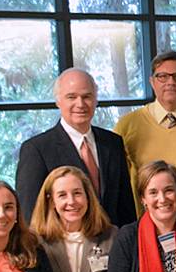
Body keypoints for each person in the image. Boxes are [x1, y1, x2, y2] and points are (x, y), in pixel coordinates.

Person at [16, 68, 136, 227]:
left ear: (96, 100)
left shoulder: (113, 143)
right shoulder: (37, 149)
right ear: (58, 101)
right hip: (60, 248)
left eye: (87, 96)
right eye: (71, 97)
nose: (80, 104)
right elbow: (30, 214)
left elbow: (125, 207)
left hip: (112, 245)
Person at [114, 51, 176, 208]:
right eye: (162, 76)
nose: (171, 82)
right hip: (145, 225)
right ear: (152, 82)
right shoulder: (127, 125)